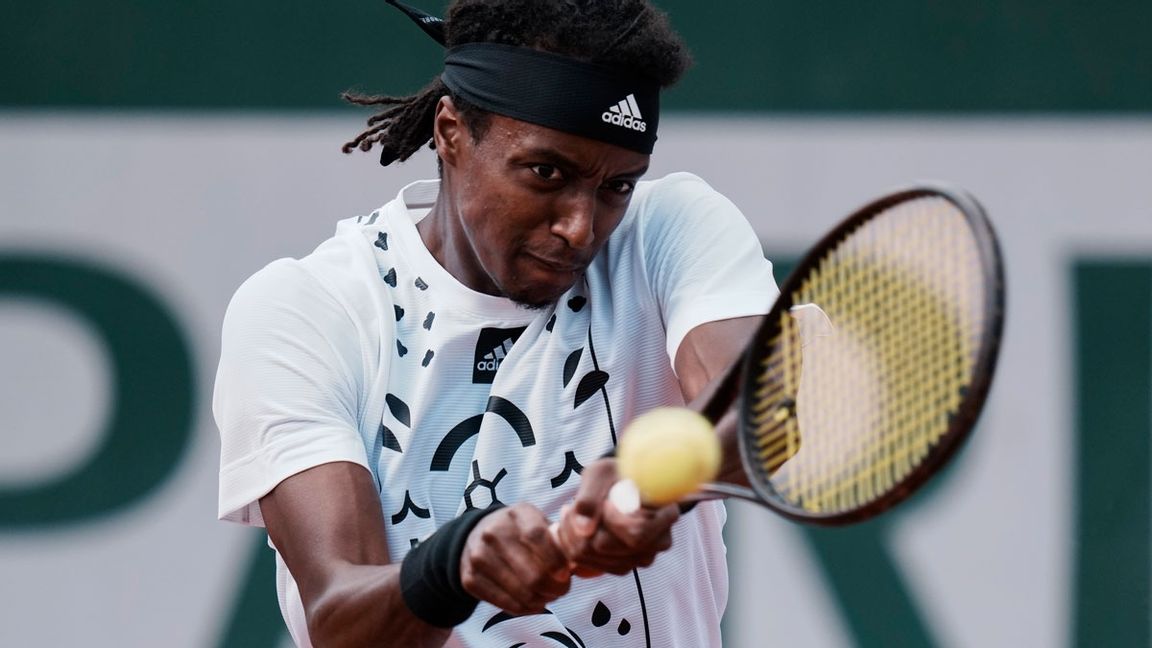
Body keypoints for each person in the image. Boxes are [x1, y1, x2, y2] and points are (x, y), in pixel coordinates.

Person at [214, 0, 778, 645]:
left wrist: (661, 477)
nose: (579, 226)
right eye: (546, 173)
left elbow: (762, 402)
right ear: (451, 131)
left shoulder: (671, 226)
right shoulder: (307, 308)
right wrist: (450, 569)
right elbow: (342, 620)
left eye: (616, 187)